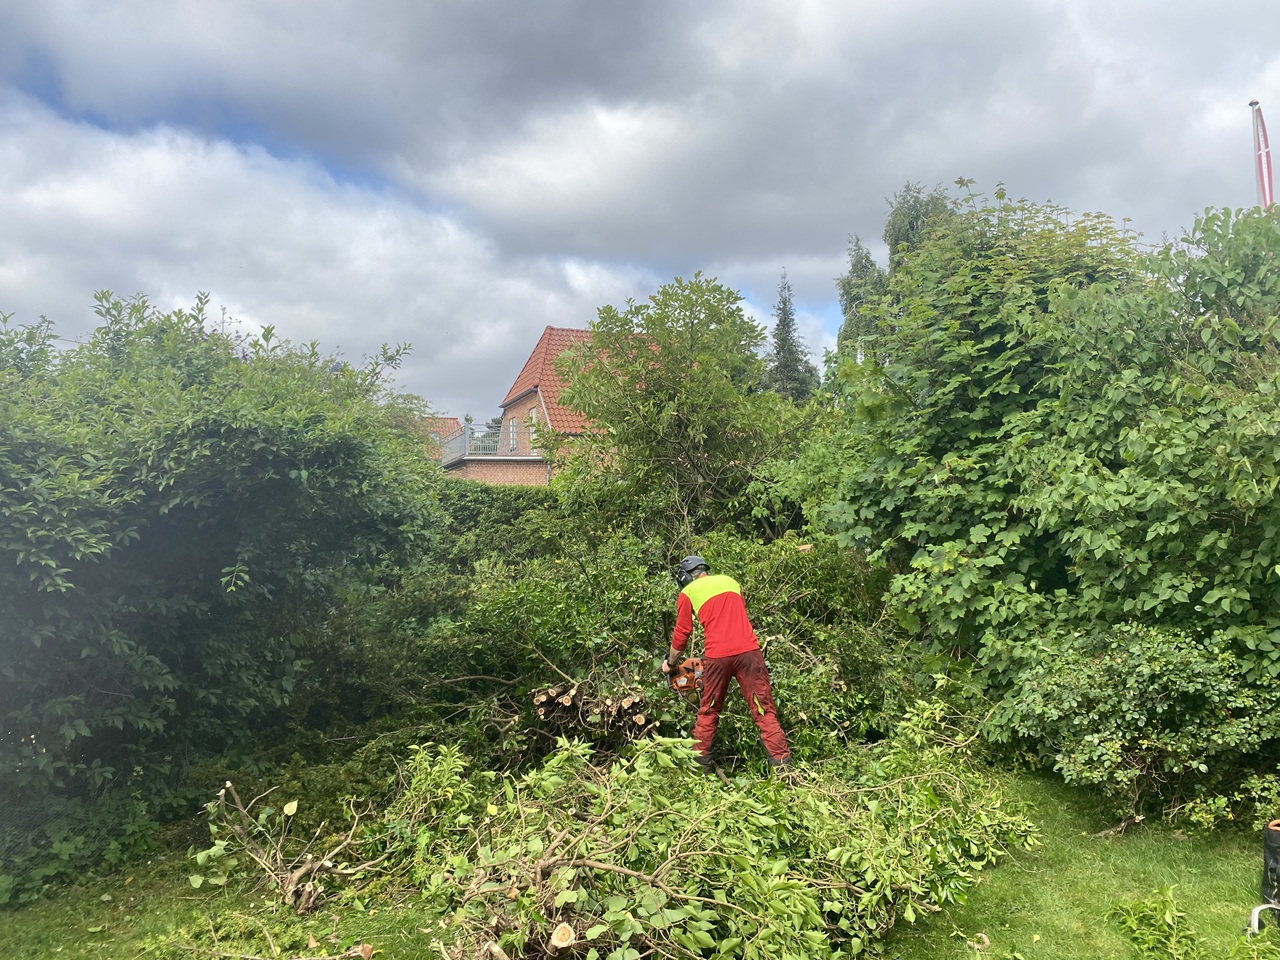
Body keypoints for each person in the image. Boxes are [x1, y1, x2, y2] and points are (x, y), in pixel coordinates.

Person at [661, 555, 792, 775]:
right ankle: (785, 771)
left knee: (708, 711)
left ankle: (697, 771)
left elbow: (682, 633)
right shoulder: (732, 582)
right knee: (764, 711)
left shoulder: (688, 593)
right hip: (750, 653)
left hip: (718, 656)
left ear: (684, 577)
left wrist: (671, 664)